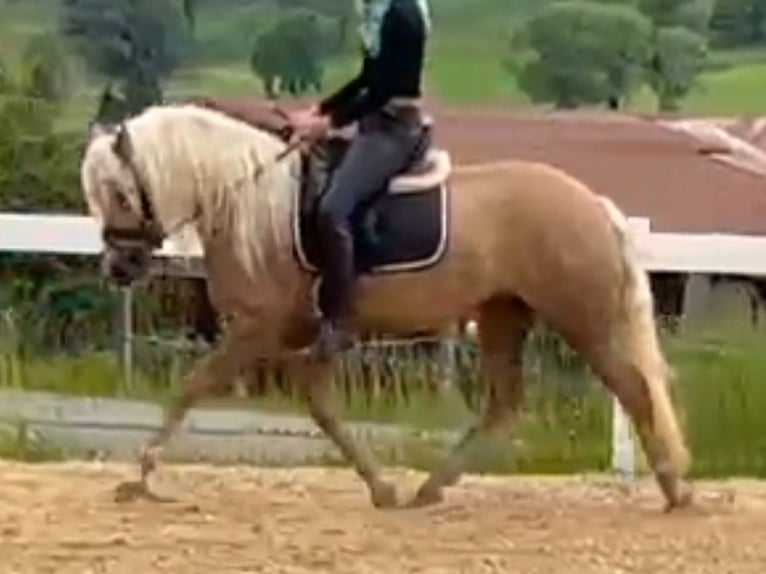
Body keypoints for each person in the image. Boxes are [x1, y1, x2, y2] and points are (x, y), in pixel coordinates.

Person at [288, 0, 432, 360]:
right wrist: (320, 109)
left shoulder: (402, 14)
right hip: (374, 125)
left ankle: (341, 321)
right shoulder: (378, 12)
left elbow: (385, 88)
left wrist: (330, 122)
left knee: (332, 209)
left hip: (394, 129)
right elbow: (368, 77)